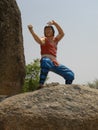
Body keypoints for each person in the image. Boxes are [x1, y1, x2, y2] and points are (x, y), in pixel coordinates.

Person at [28, 20, 75, 89]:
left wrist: (55, 23)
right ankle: (41, 84)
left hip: (54, 62)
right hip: (46, 61)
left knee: (70, 74)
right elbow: (39, 40)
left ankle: (67, 88)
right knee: (46, 61)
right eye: (46, 30)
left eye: (49, 29)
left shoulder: (55, 40)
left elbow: (62, 33)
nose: (48, 31)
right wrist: (32, 31)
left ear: (53, 31)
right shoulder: (44, 39)